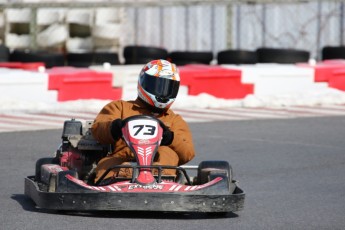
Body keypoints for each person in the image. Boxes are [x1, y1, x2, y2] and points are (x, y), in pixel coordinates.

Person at [91, 59, 195, 184]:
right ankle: (117, 181)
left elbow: (188, 153)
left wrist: (171, 138)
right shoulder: (120, 107)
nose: (163, 92)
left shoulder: (174, 120)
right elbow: (98, 129)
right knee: (109, 162)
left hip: (159, 166)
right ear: (143, 83)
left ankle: (156, 178)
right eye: (158, 86)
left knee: (167, 152)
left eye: (168, 88)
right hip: (122, 159)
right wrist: (114, 127)